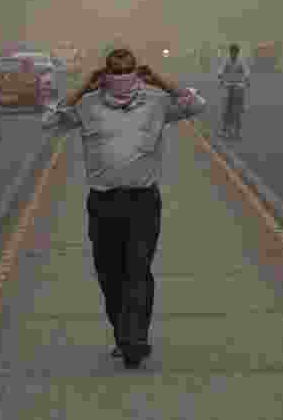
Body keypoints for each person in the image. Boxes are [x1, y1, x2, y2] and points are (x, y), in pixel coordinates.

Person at [42, 47, 206, 369]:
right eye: (115, 73)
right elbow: (49, 120)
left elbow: (196, 105)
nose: (121, 78)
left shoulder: (156, 103)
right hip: (103, 204)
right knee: (110, 274)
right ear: (104, 74)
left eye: (127, 71)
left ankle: (136, 340)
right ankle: (123, 334)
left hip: (142, 202)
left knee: (138, 270)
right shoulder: (88, 106)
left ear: (137, 72)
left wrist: (160, 80)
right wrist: (82, 88)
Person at [216, 43, 250, 138]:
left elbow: (246, 72)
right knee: (226, 109)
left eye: (235, 52)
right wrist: (221, 78)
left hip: (239, 87)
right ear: (230, 52)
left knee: (238, 111)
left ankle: (237, 132)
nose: (233, 54)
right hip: (229, 86)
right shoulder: (227, 60)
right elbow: (221, 70)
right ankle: (225, 129)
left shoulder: (241, 61)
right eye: (232, 52)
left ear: (237, 52)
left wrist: (246, 80)